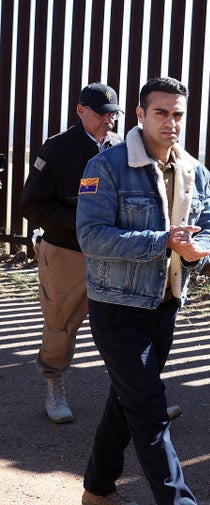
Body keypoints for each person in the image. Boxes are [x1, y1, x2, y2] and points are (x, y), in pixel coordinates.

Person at [76, 77, 210, 505]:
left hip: (166, 304)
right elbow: (91, 236)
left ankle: (98, 489)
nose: (170, 122)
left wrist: (200, 249)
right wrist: (162, 242)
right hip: (116, 305)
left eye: (178, 114)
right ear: (140, 115)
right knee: (149, 407)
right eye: (161, 112)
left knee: (126, 400)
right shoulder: (106, 166)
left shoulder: (195, 170)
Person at [19, 83, 123, 423]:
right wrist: (82, 221)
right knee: (61, 324)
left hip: (113, 254)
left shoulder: (120, 148)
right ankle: (54, 385)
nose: (109, 120)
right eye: (101, 114)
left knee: (124, 325)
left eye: (113, 114)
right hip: (66, 253)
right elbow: (31, 204)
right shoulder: (57, 149)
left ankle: (134, 396)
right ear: (81, 111)